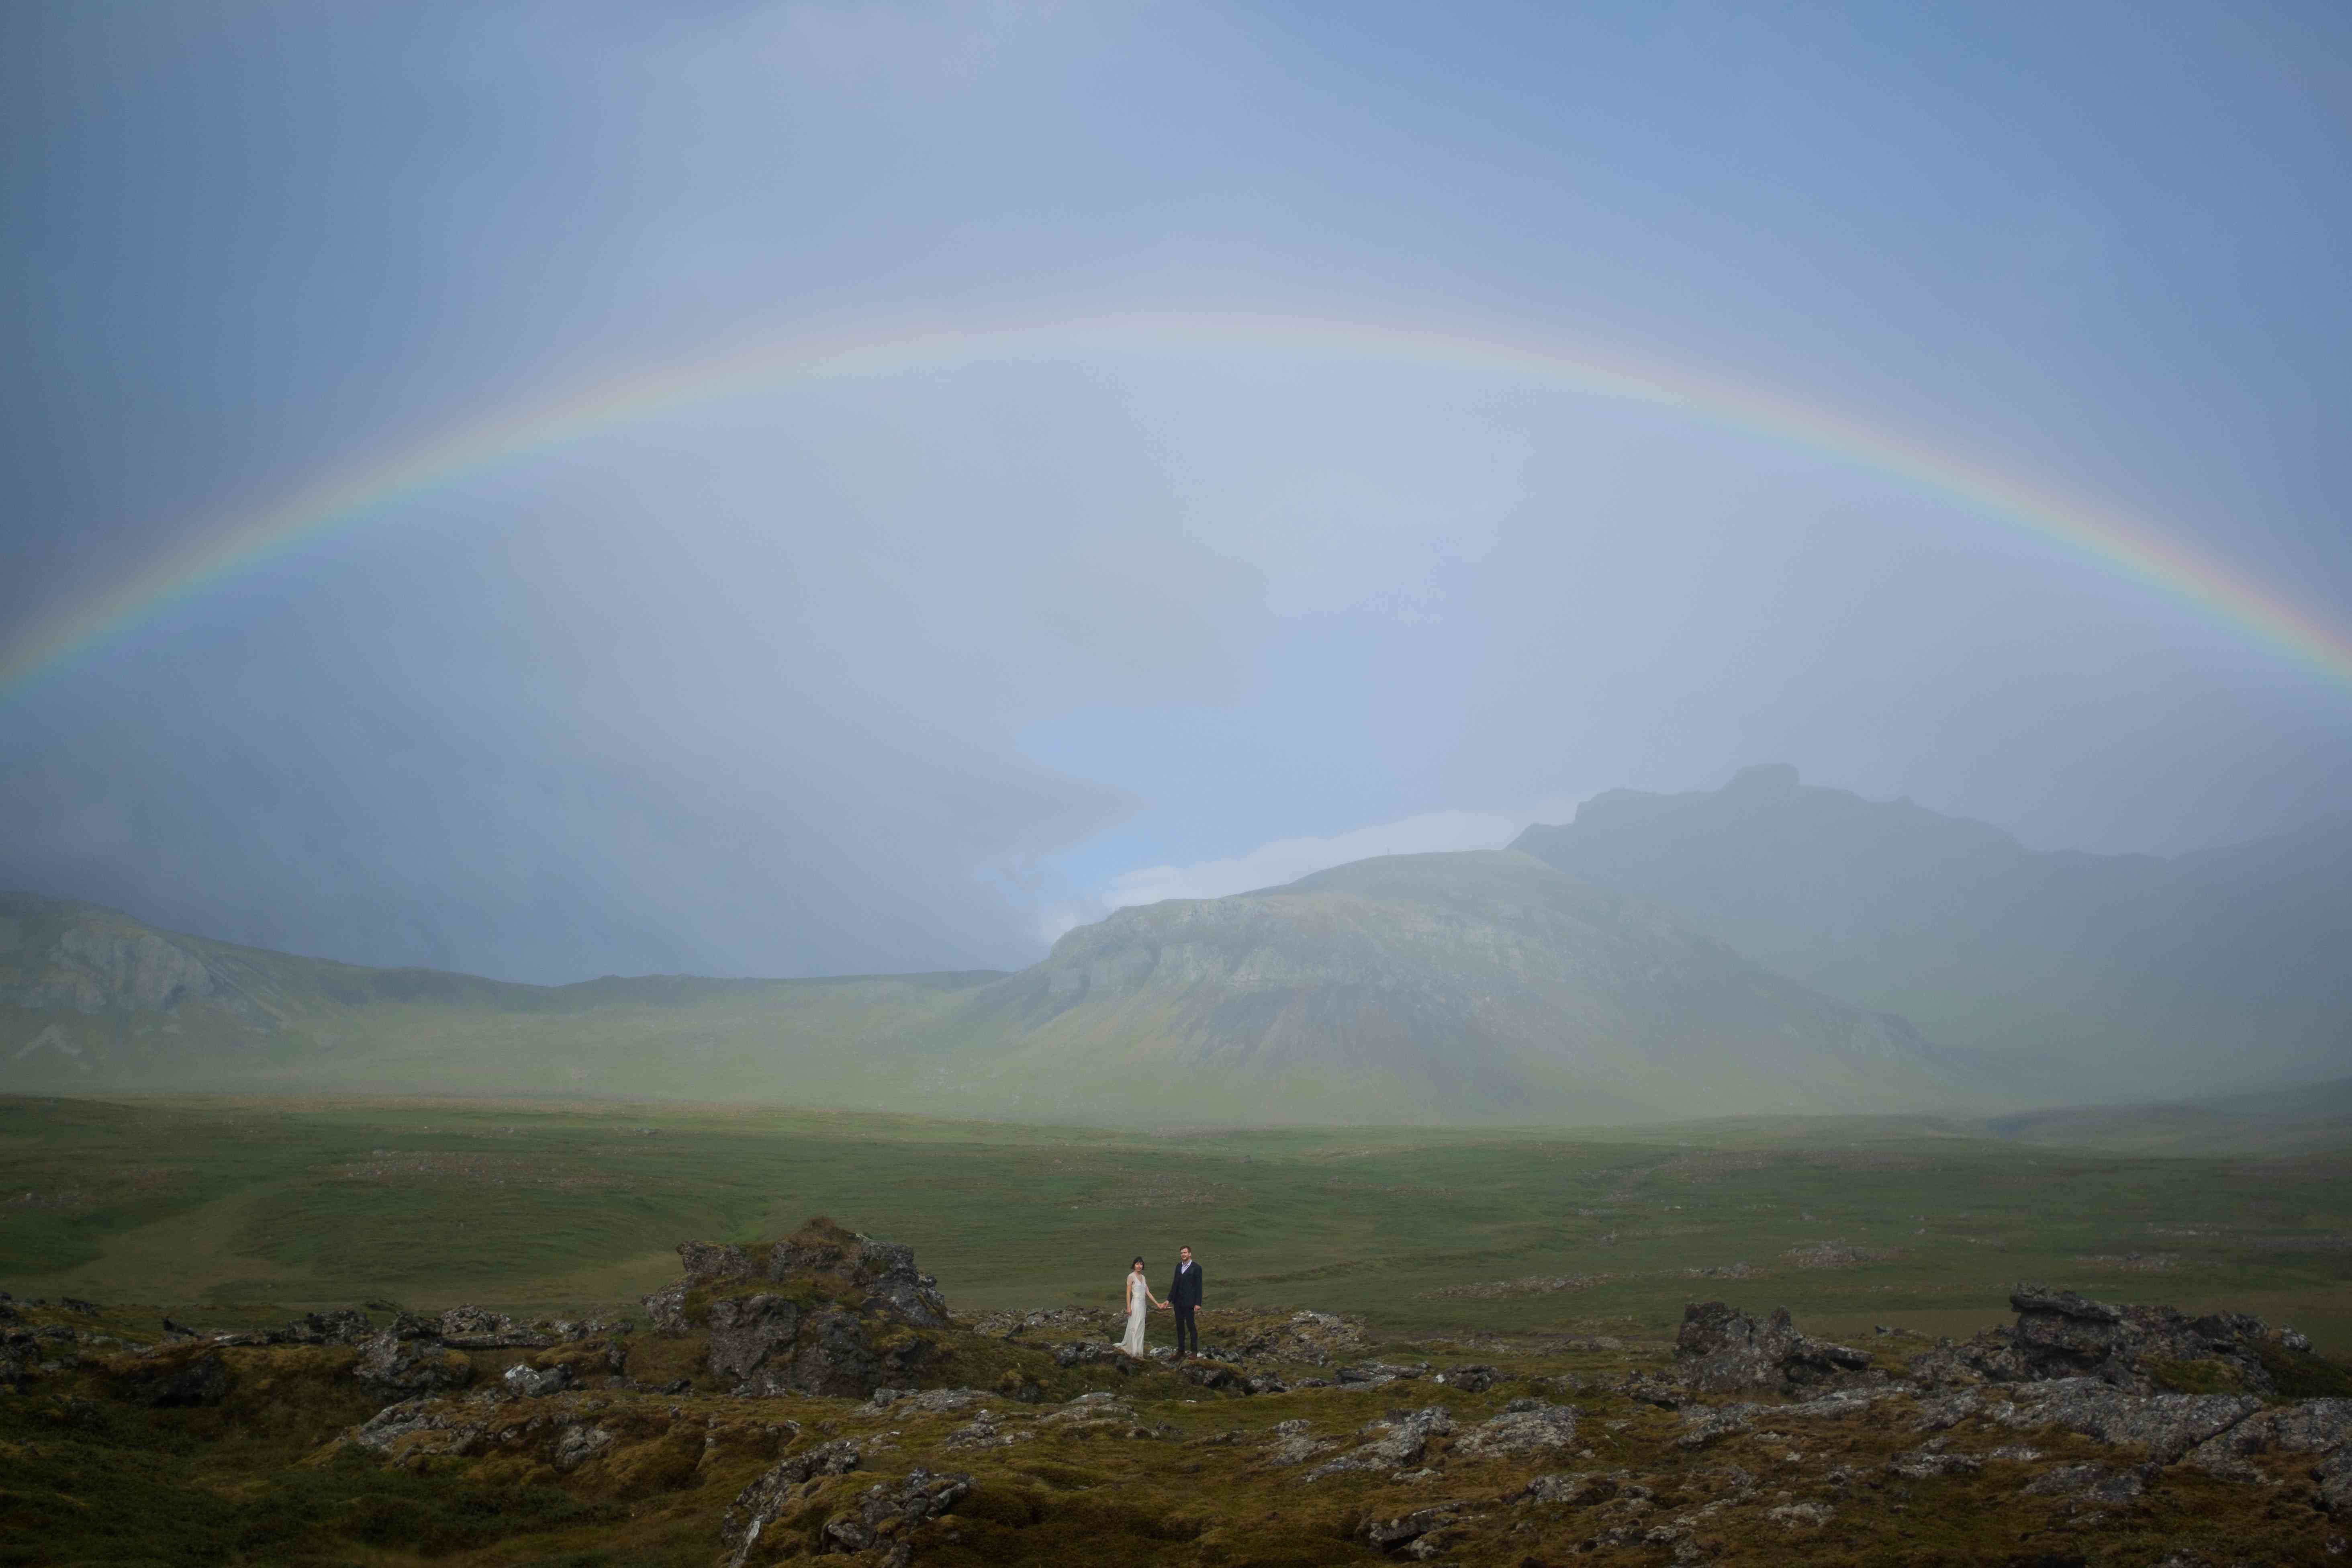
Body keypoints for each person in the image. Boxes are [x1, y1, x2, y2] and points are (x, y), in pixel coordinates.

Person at [1119, 1255, 1163, 1357]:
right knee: (1135, 1325)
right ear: (1134, 1265)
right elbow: (1128, 1293)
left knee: (1141, 1326)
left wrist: (1157, 1304)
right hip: (1135, 1304)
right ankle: (1133, 1351)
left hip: (1143, 1305)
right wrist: (1128, 1308)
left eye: (1141, 1264)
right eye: (1137, 1264)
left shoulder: (1143, 1277)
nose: (1139, 1266)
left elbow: (1148, 1292)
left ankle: (1139, 1351)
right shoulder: (1131, 1276)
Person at [1165, 1244, 1203, 1358]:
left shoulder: (1197, 1268)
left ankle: (1194, 1352)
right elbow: (1175, 1284)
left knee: (1191, 1326)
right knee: (1180, 1327)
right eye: (1182, 1253)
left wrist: (1198, 1303)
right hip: (1178, 1303)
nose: (1183, 1255)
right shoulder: (1178, 1267)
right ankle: (1181, 1351)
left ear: (1190, 1254)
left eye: (1185, 1253)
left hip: (1190, 1303)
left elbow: (1199, 1287)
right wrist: (1169, 1299)